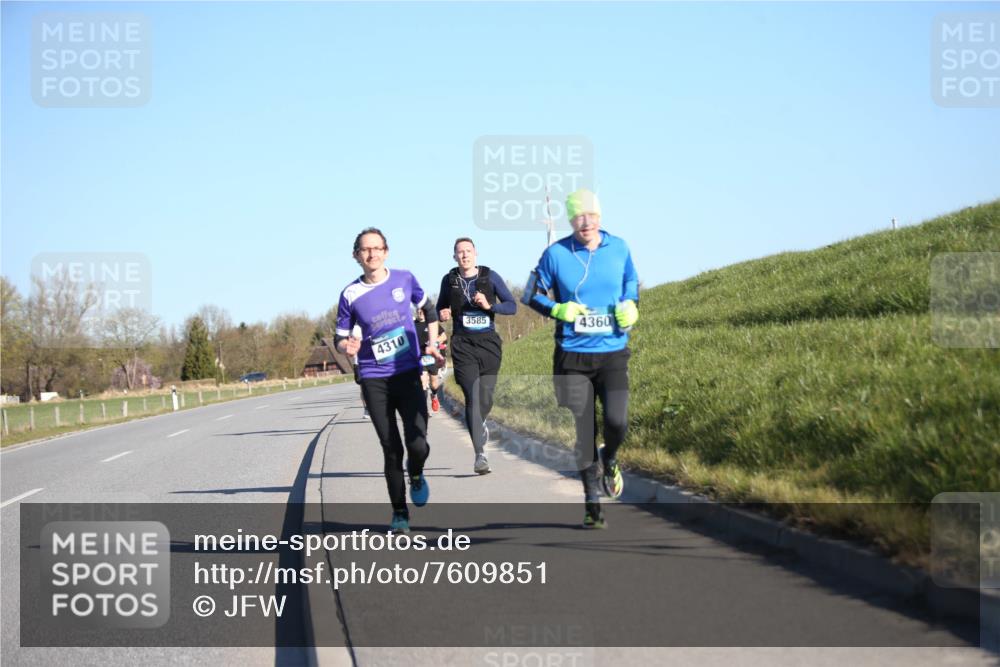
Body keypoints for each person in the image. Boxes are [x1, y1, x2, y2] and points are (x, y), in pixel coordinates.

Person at [524, 189, 639, 528]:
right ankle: (592, 502)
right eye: (578, 216)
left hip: (612, 352)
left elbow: (630, 281)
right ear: (571, 220)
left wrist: (630, 304)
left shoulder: (619, 248)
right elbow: (530, 293)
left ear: (600, 217)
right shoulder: (555, 254)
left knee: (617, 422)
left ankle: (610, 457)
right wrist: (558, 308)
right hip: (573, 357)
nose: (585, 222)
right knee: (584, 429)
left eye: (591, 215)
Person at [336, 228, 444, 534]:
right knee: (391, 448)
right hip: (374, 378)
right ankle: (399, 514)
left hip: (407, 372)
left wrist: (431, 344)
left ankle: (417, 473)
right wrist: (346, 347)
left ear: (386, 251)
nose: (371, 254)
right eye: (365, 249)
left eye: (376, 248)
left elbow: (429, 309)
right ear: (356, 256)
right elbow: (339, 338)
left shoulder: (404, 279)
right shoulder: (350, 294)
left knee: (418, 444)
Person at [436, 237, 517, 474]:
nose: (464, 255)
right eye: (460, 252)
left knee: (485, 399)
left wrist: (489, 306)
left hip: (488, 344)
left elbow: (512, 306)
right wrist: (443, 313)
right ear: (454, 256)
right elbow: (441, 308)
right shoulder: (449, 280)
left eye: (468, 251)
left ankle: (480, 421)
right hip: (462, 345)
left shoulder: (490, 277)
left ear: (476, 254)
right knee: (472, 396)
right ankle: (480, 454)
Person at [414, 308, 447, 414]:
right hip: (419, 357)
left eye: (422, 311)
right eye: (418, 311)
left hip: (431, 357)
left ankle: (434, 395)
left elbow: (444, 336)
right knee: (423, 382)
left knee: (434, 384)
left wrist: (433, 341)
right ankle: (424, 409)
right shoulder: (412, 324)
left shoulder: (431, 323)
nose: (420, 313)